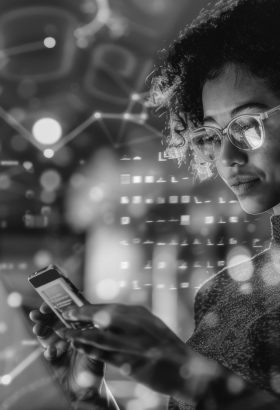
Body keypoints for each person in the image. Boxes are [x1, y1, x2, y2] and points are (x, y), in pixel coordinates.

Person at [30, 0, 280, 408]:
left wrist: (186, 374)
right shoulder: (216, 296)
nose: (227, 158)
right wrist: (89, 394)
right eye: (213, 135)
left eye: (247, 125)